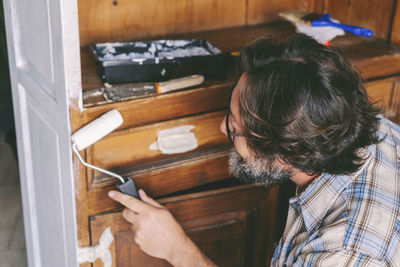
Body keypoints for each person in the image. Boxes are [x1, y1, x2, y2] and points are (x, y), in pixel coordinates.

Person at [108, 33, 400, 266]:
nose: (223, 129)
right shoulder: (370, 126)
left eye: (234, 125)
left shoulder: (343, 255)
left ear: (285, 154)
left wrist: (178, 251)